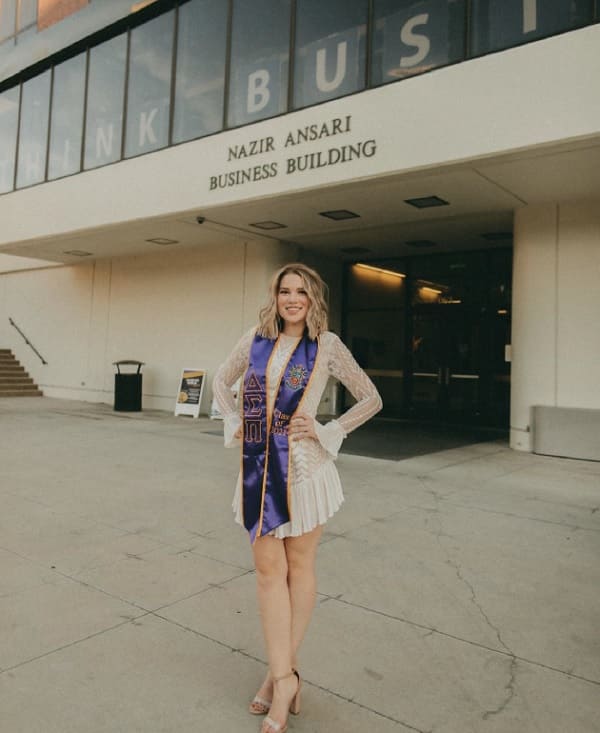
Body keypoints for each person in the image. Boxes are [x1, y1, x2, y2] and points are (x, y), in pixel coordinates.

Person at [212, 262, 382, 733]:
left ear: (313, 300)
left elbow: (370, 397)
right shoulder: (255, 339)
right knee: (269, 575)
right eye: (285, 291)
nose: (292, 299)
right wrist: (240, 425)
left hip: (306, 472)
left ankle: (277, 676)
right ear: (276, 296)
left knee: (299, 569)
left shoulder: (326, 345)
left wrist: (329, 428)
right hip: (259, 471)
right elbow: (219, 382)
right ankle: (285, 676)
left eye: (301, 293)